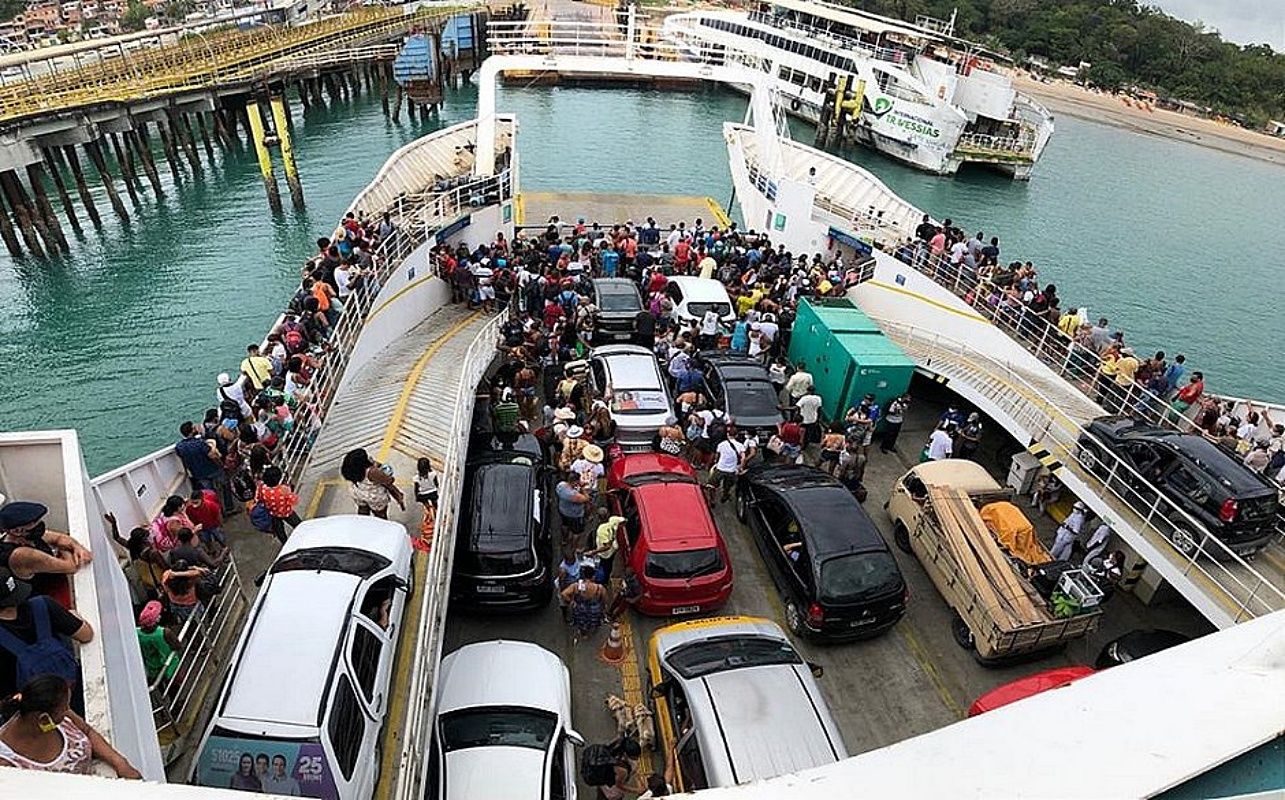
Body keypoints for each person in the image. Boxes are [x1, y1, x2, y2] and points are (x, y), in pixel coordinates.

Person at [0, 674, 140, 777]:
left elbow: (87, 731)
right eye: (65, 708)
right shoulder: (7, 765)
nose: (68, 711)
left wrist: (121, 763)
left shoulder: (55, 712)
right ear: (43, 720)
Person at [0, 568, 91, 699]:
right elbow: (86, 635)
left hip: (37, 710)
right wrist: (73, 615)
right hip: (75, 688)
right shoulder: (43, 604)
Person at [0, 502, 90, 582]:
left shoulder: (26, 535)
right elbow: (71, 566)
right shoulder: (21, 555)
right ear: (17, 531)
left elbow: (59, 538)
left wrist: (78, 548)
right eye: (35, 522)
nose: (40, 524)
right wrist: (63, 547)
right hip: (47, 594)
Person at [340, 448, 405, 519]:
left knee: (363, 510)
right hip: (374, 497)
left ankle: (363, 524)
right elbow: (389, 481)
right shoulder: (372, 472)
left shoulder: (352, 471)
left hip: (358, 493)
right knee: (380, 516)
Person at [255, 466, 301, 544]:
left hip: (273, 514)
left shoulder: (262, 488)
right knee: (298, 525)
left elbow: (259, 499)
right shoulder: (283, 490)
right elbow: (294, 501)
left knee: (280, 532)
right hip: (286, 512)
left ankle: (285, 544)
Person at [135, 600, 178, 685]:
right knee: (174, 682)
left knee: (159, 684)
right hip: (170, 664)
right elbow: (177, 646)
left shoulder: (136, 633)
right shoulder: (165, 632)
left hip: (151, 666)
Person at [561, 565, 606, 644]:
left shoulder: (576, 586)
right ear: (593, 576)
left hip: (580, 609)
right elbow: (604, 600)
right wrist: (602, 608)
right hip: (594, 610)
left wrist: (572, 602)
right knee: (593, 621)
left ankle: (584, 634)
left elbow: (564, 594)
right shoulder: (600, 588)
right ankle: (592, 629)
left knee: (581, 621)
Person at [709, 427, 748, 503]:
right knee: (727, 486)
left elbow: (717, 455)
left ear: (727, 434)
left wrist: (716, 462)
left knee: (712, 485)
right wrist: (740, 468)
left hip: (720, 468)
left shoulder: (721, 444)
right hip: (731, 471)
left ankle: (712, 500)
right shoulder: (740, 446)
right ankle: (724, 496)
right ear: (736, 435)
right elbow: (743, 458)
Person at [185, 489, 227, 557]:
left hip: (214, 526)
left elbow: (218, 515)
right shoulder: (189, 508)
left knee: (220, 538)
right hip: (202, 528)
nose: (194, 505)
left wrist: (220, 525)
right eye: (193, 502)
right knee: (206, 541)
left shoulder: (211, 505)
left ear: (201, 499)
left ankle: (225, 549)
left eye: (196, 502)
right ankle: (213, 552)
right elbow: (191, 518)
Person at [586, 516, 624, 584]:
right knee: (608, 566)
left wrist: (593, 552)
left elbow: (607, 546)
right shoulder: (613, 520)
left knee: (605, 567)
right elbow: (623, 520)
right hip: (613, 549)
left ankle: (602, 580)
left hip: (606, 554)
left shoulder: (602, 531)